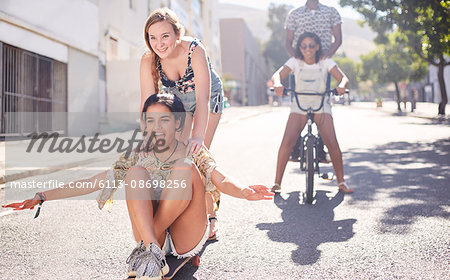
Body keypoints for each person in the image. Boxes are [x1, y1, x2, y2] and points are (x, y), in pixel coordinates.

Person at [3, 93, 274, 280]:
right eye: (150, 120)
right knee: (134, 172)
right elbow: (94, 182)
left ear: (178, 123)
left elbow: (220, 178)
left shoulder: (193, 149)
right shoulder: (138, 152)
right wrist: (42, 196)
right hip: (148, 233)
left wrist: (243, 191)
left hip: (184, 234)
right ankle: (151, 252)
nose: (156, 127)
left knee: (185, 168)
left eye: (164, 120)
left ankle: (150, 251)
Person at [140, 7, 224, 240]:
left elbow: (203, 98)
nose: (159, 43)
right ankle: (175, 213)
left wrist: (198, 137)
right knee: (176, 156)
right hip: (179, 104)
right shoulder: (149, 58)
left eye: (165, 36)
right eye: (152, 37)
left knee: (197, 155)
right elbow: (147, 103)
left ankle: (210, 216)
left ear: (178, 34)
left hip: (208, 98)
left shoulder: (195, 50)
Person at [270, 32, 354, 194]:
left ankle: (341, 182)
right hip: (299, 105)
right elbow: (277, 75)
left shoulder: (326, 61)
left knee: (332, 142)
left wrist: (342, 85)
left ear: (317, 47)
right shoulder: (295, 62)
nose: (307, 49)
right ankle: (277, 183)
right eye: (304, 46)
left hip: (321, 104)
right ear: (299, 48)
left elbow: (343, 77)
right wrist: (278, 84)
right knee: (287, 141)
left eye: (311, 46)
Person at [285, 0, 343, 162]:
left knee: (323, 104)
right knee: (297, 104)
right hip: (300, 67)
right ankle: (295, 148)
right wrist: (296, 57)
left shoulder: (332, 12)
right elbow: (288, 41)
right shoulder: (294, 14)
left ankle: (321, 148)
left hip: (323, 66)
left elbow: (338, 38)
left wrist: (327, 55)